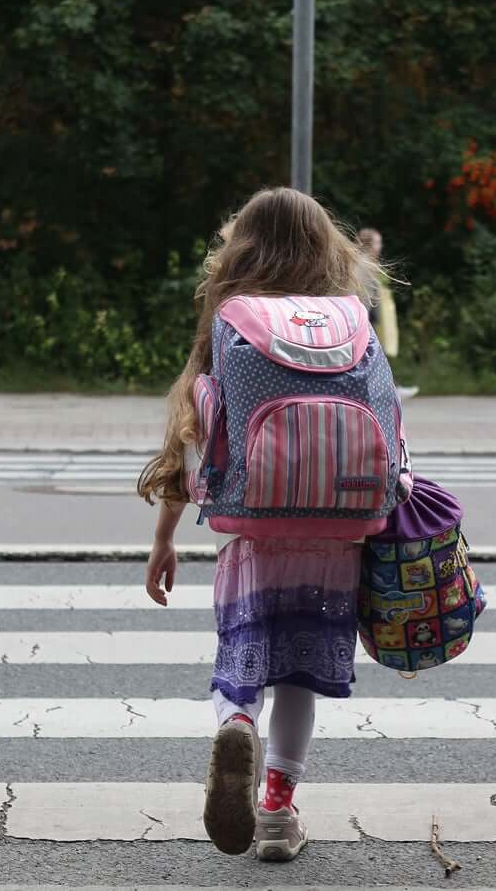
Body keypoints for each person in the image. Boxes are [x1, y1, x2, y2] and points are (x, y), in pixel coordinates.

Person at [138, 188, 392, 862]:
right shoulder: (353, 321)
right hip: (338, 533)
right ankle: (278, 811)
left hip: (253, 529)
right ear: (327, 250)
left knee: (243, 656)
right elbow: (390, 426)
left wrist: (164, 539)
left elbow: (191, 431)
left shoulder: (231, 321)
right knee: (301, 674)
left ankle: (237, 722)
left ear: (240, 248)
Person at [358, 227, 418, 400]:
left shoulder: (364, 263)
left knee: (374, 356)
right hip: (365, 318)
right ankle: (391, 390)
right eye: (377, 243)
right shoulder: (365, 264)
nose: (380, 246)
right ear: (369, 244)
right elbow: (365, 295)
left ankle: (389, 388)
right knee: (375, 356)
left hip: (365, 317)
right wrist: (367, 320)